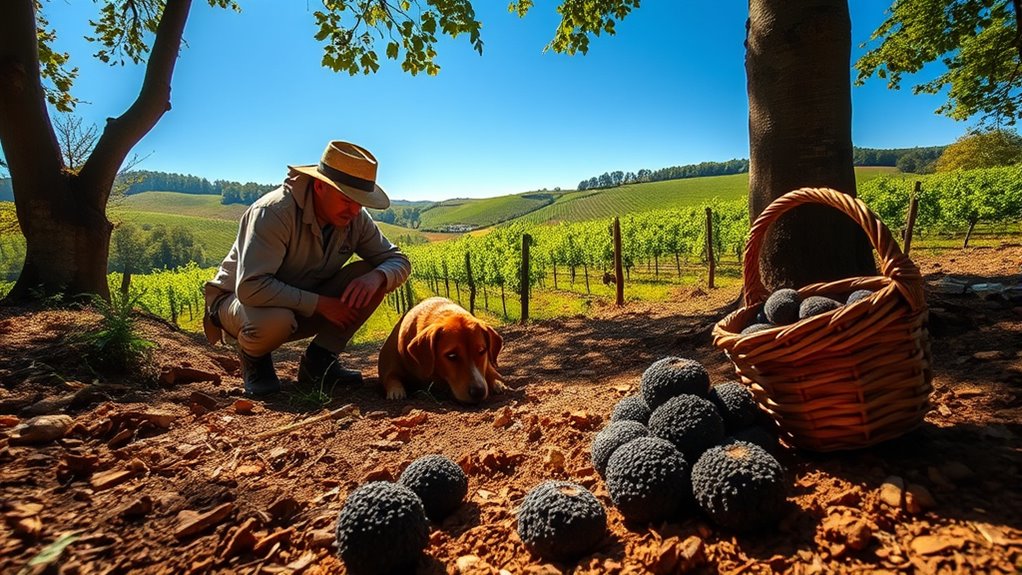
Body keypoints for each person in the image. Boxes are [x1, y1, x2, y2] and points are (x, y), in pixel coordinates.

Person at [202, 140, 411, 396]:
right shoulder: (274, 212)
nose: (355, 210)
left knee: (370, 274)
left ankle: (319, 362)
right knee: (275, 320)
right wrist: (322, 304)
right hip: (239, 303)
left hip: (298, 300)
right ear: (321, 186)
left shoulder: (355, 218)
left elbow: (399, 260)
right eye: (347, 199)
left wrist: (378, 276)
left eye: (361, 201)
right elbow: (250, 288)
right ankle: (254, 358)